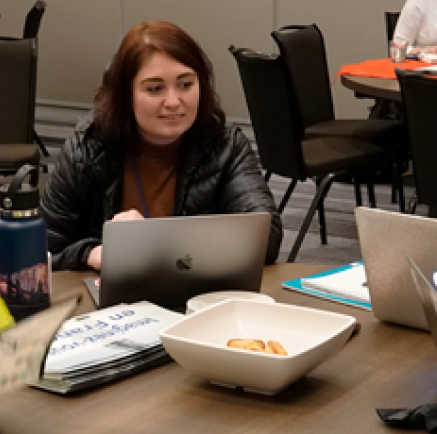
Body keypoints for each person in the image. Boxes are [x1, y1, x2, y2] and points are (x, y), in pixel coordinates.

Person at [42, 20, 282, 271]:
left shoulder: (225, 145)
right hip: (108, 300)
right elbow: (40, 251)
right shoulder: (87, 149)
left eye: (186, 84)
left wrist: (158, 242)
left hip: (198, 296)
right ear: (125, 94)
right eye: (155, 89)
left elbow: (266, 237)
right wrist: (90, 253)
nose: (173, 101)